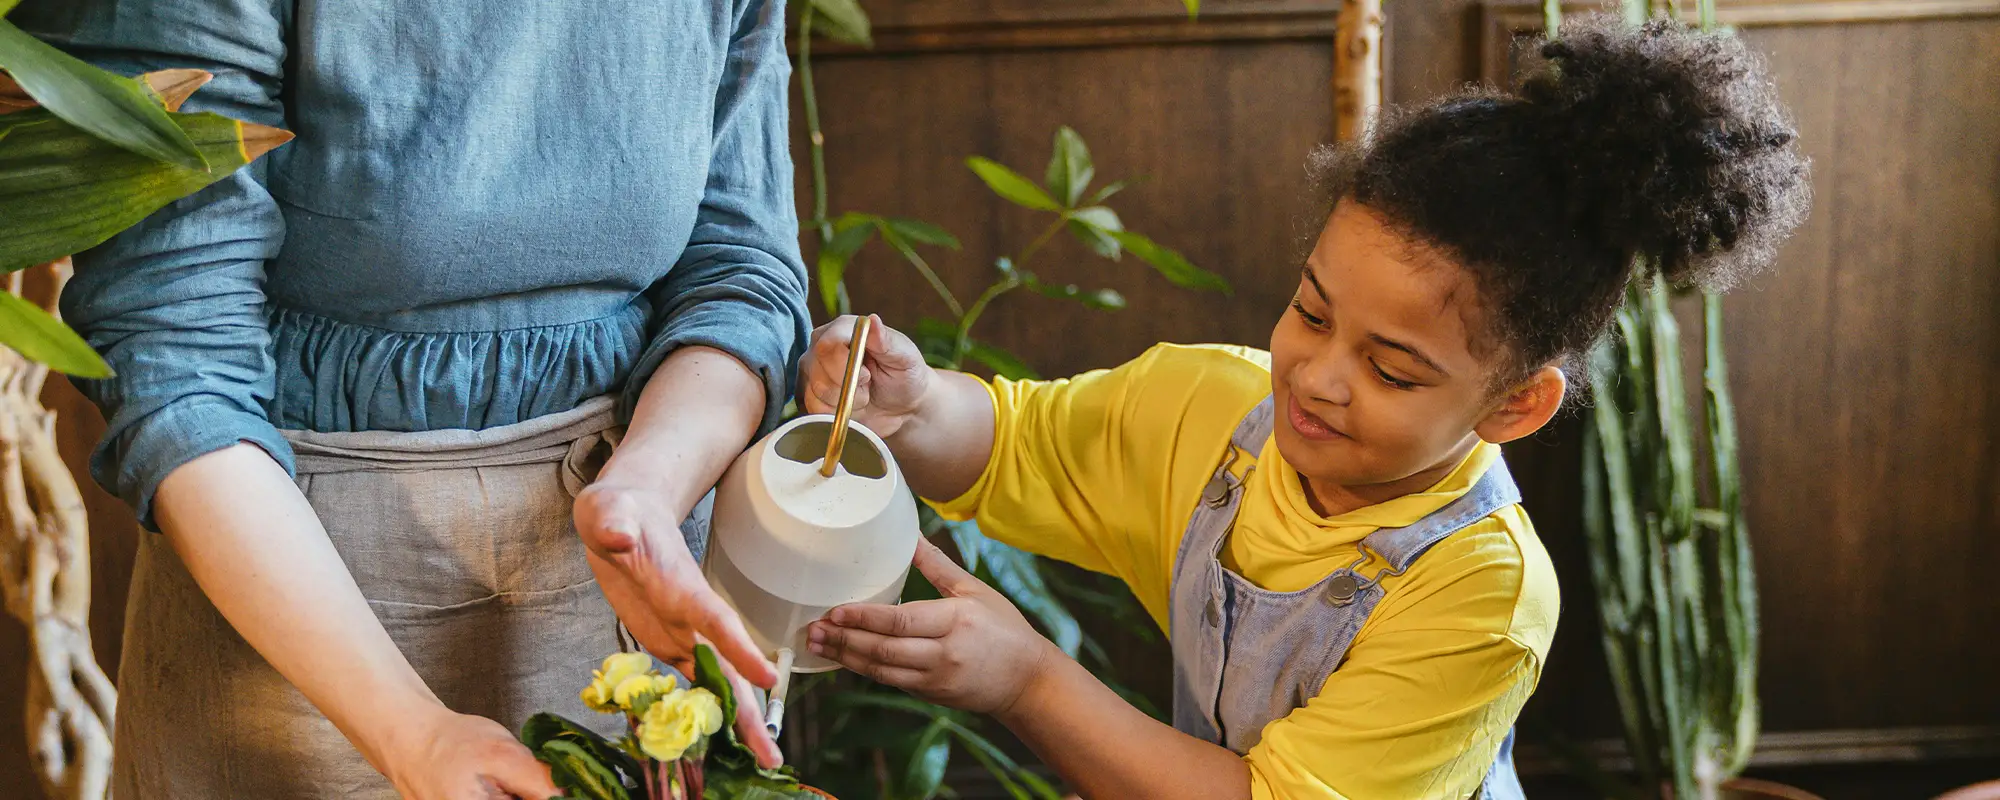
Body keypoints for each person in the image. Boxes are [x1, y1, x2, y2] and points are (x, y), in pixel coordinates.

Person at [797, 16, 1809, 800]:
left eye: (1393, 368)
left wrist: (1026, 679)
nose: (1316, 375)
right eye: (1310, 311)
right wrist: (914, 401)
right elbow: (1008, 445)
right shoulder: (1211, 403)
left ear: (1513, 403)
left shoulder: (1481, 593)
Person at [18, 0, 810, 796]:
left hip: (639, 584)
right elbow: (176, 357)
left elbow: (740, 271)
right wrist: (411, 732)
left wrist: (645, 491)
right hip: (300, 609)